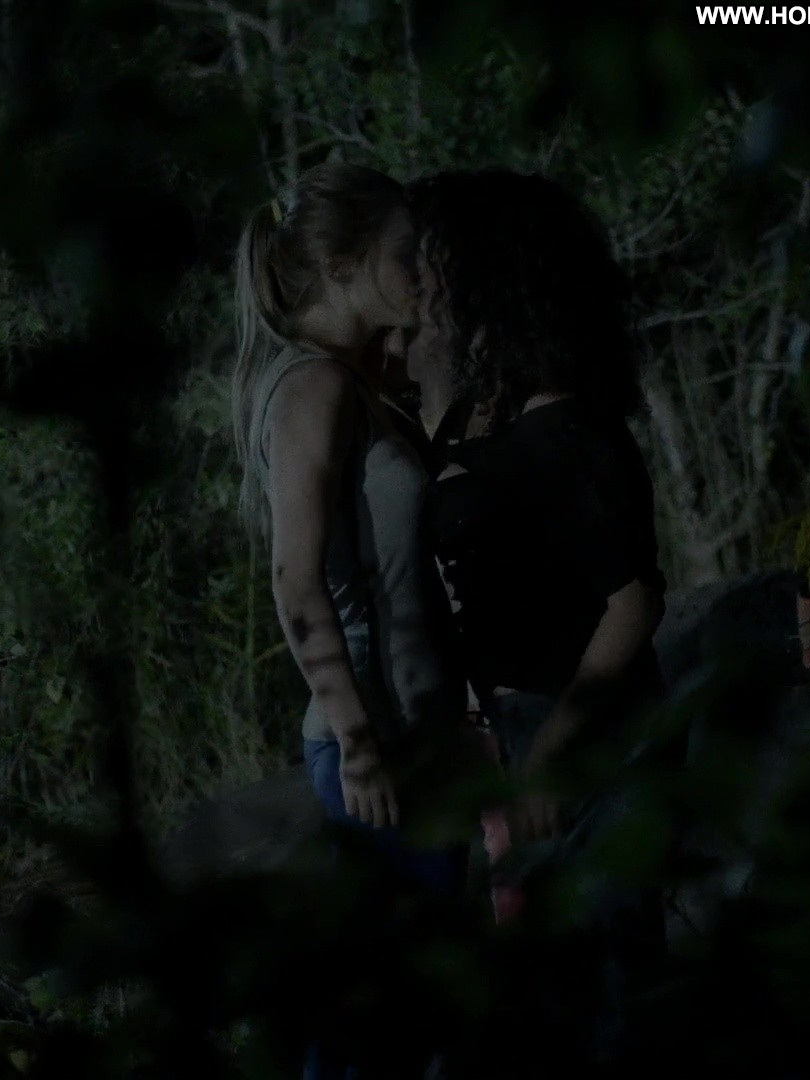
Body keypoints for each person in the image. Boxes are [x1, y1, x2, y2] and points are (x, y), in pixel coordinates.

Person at [390, 168, 678, 1069]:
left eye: (432, 269)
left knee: (610, 986)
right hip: (529, 728)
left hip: (585, 733)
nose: (417, 288)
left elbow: (633, 601)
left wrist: (555, 753)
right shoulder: (501, 418)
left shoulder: (566, 431)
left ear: (491, 280)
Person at [232, 161, 473, 1079]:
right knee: (383, 1015)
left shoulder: (354, 383)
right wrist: (359, 741)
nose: (421, 269)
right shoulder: (314, 389)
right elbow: (296, 582)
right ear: (341, 265)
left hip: (415, 732)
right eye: (404, 253)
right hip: (378, 742)